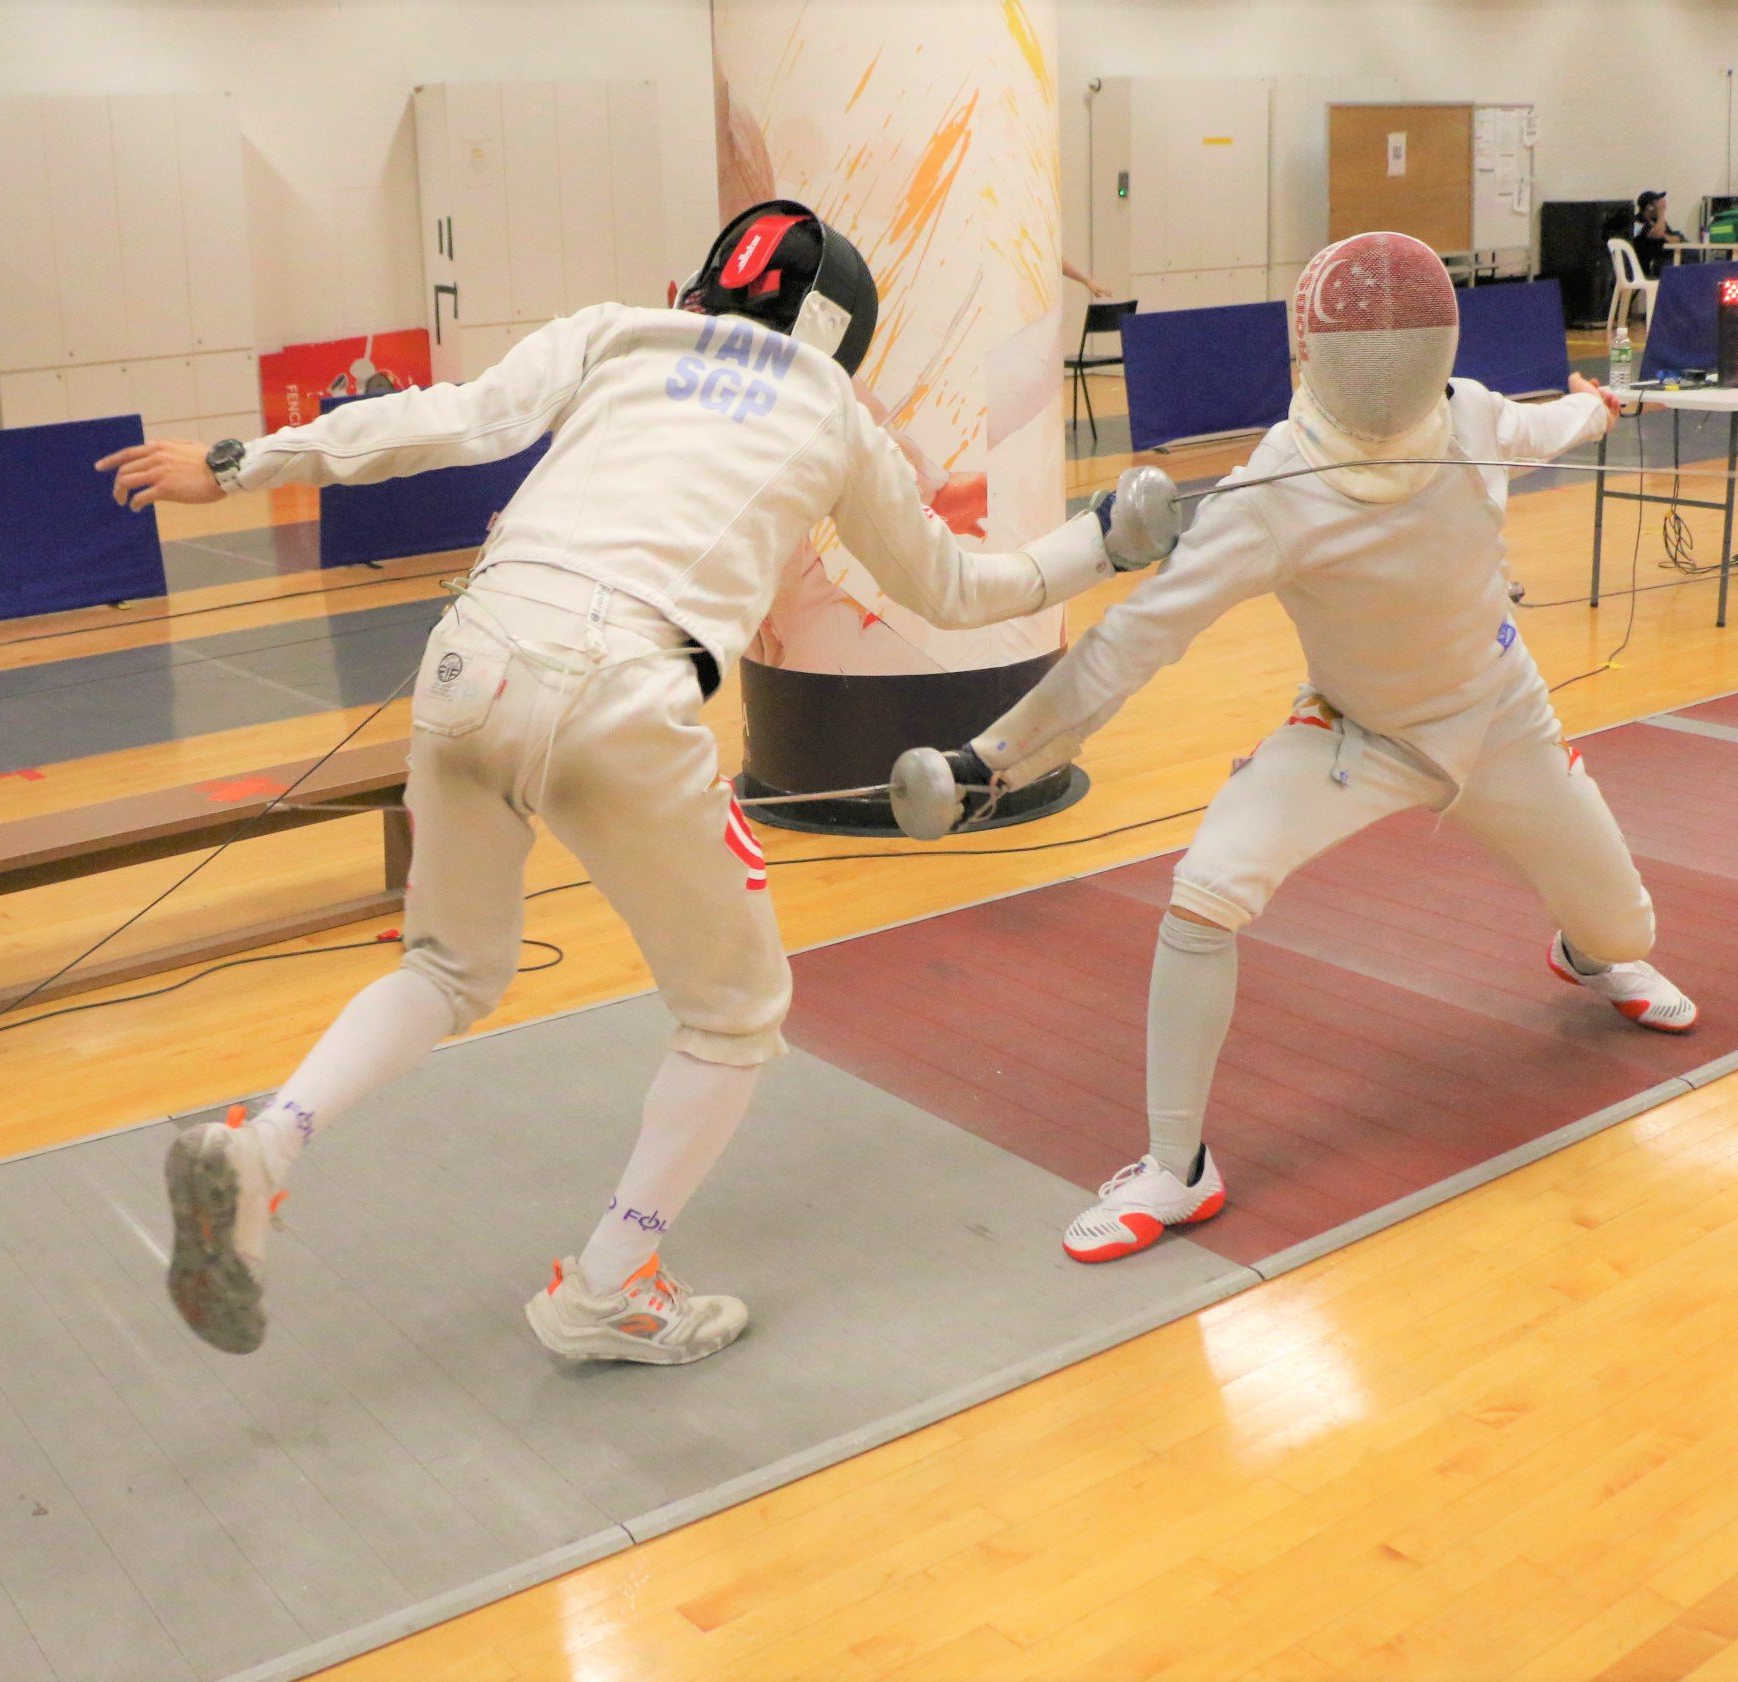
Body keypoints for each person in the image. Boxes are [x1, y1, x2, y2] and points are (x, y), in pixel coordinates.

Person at [99, 201, 1152, 1364]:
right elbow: (955, 590)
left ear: (705, 288)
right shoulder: (830, 409)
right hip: (619, 690)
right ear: (834, 331)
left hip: (470, 653)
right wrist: (1098, 541)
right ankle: (611, 1284)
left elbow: (450, 418)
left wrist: (236, 462)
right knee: (735, 1011)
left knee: (446, 964)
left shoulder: (617, 332)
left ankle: (267, 1144)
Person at [930, 231, 1701, 1264]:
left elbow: (1548, 424)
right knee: (1206, 889)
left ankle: (1588, 949)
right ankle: (1177, 1166)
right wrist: (995, 758)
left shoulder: (1471, 415)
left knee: (1629, 925)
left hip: (1503, 718)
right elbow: (1134, 641)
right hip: (1357, 734)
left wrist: (1597, 404)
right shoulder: (1273, 489)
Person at [1630, 190, 1682, 277]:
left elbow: (1676, 239)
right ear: (1649, 207)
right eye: (1658, 202)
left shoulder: (1657, 221)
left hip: (1661, 259)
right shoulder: (1638, 222)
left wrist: (1664, 235)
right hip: (1647, 266)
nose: (1662, 205)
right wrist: (1661, 213)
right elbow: (1657, 234)